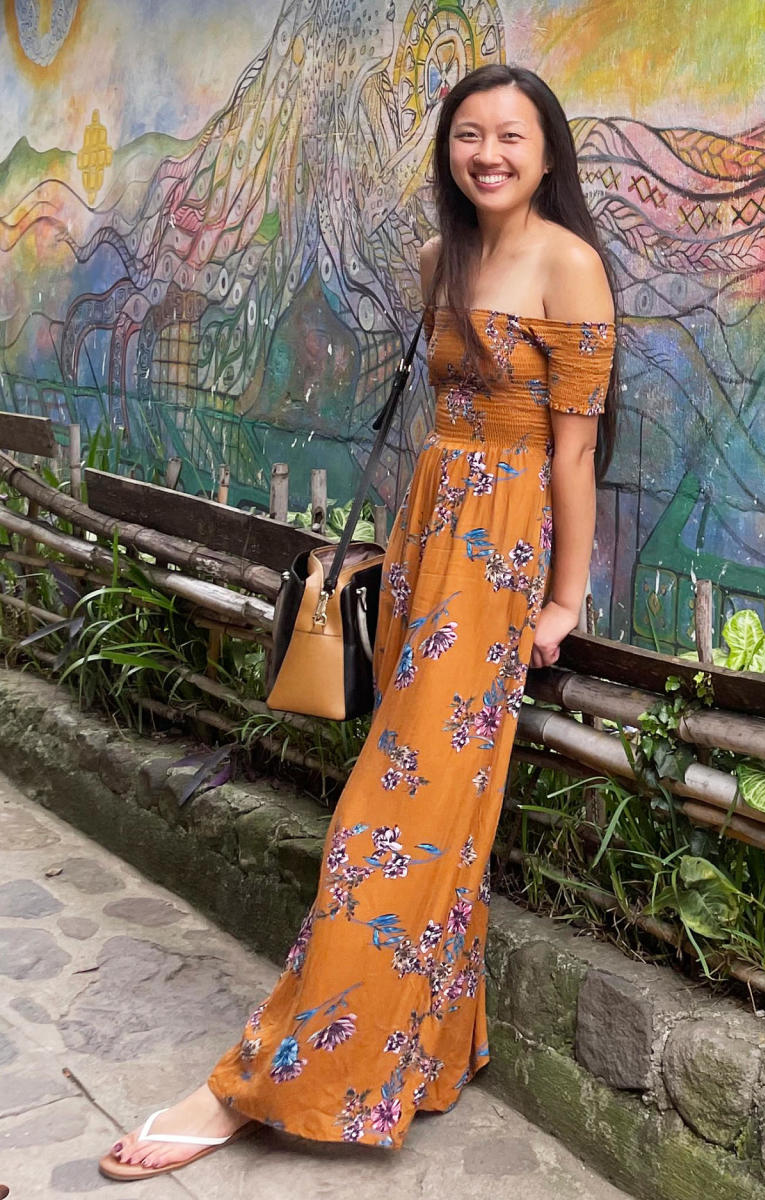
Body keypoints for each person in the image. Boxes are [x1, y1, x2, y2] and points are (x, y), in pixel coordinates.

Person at [100, 62, 617, 1180]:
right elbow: (440, 418)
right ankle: (429, 1053)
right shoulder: (440, 259)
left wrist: (566, 599)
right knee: (442, 812)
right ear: (449, 151)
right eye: (468, 134)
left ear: (546, 153)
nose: (488, 153)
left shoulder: (572, 267)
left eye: (511, 137)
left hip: (501, 558)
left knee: (389, 815)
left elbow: (572, 453)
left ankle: (268, 1078)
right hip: (429, 545)